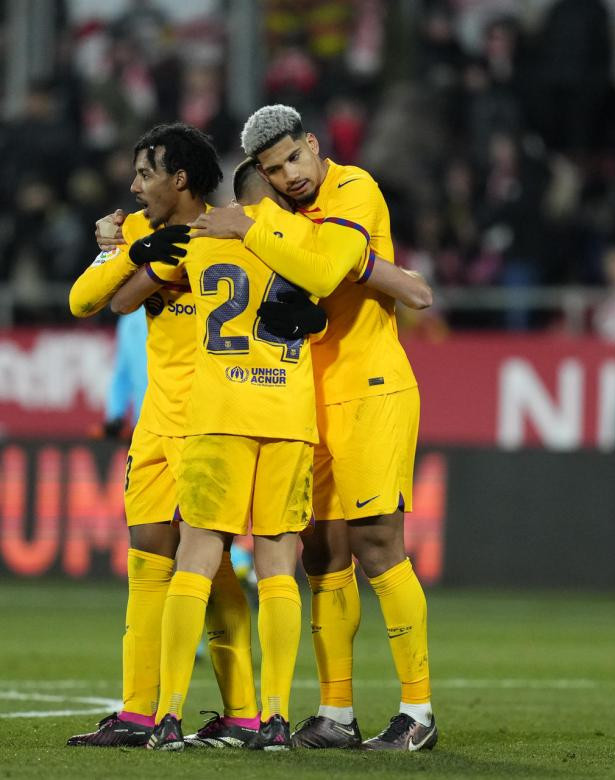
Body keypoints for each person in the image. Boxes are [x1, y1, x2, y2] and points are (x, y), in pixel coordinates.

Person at [190, 104, 437, 751]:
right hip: (306, 398)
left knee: (378, 543)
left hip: (370, 388)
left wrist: (251, 228)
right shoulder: (281, 218)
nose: (289, 176)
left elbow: (326, 272)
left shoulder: (354, 188)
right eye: (273, 171)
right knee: (322, 552)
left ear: (313, 145)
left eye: (294, 159)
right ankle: (338, 714)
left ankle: (418, 712)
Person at [110, 157, 327, 751]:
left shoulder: (199, 240)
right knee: (279, 565)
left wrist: (122, 243)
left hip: (217, 417)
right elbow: (332, 291)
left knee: (196, 558)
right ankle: (277, 719)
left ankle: (168, 716)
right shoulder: (308, 239)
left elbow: (122, 300)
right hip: (287, 416)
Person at [65, 124, 259, 748]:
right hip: (156, 422)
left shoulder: (228, 232)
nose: (133, 184)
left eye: (145, 172)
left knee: (212, 568)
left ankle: (245, 712)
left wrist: (135, 252)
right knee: (147, 560)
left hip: (210, 420)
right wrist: (125, 250)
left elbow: (121, 303)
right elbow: (85, 300)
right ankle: (137, 711)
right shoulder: (145, 236)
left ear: (179, 178)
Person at [100, 308, 148, 439]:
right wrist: (115, 415)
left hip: (184, 422)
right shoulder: (130, 317)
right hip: (144, 426)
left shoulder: (186, 307)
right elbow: (122, 373)